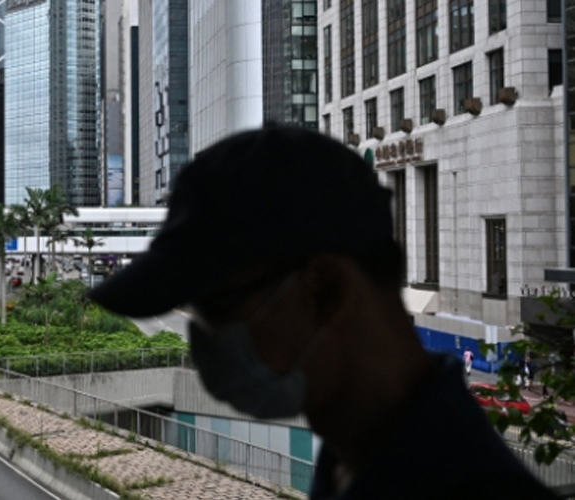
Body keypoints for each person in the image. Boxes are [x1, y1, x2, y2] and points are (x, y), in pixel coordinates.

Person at [87, 126, 558, 499]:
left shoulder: (471, 490)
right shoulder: (346, 465)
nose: (204, 338)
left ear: (326, 289)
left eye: (219, 308)